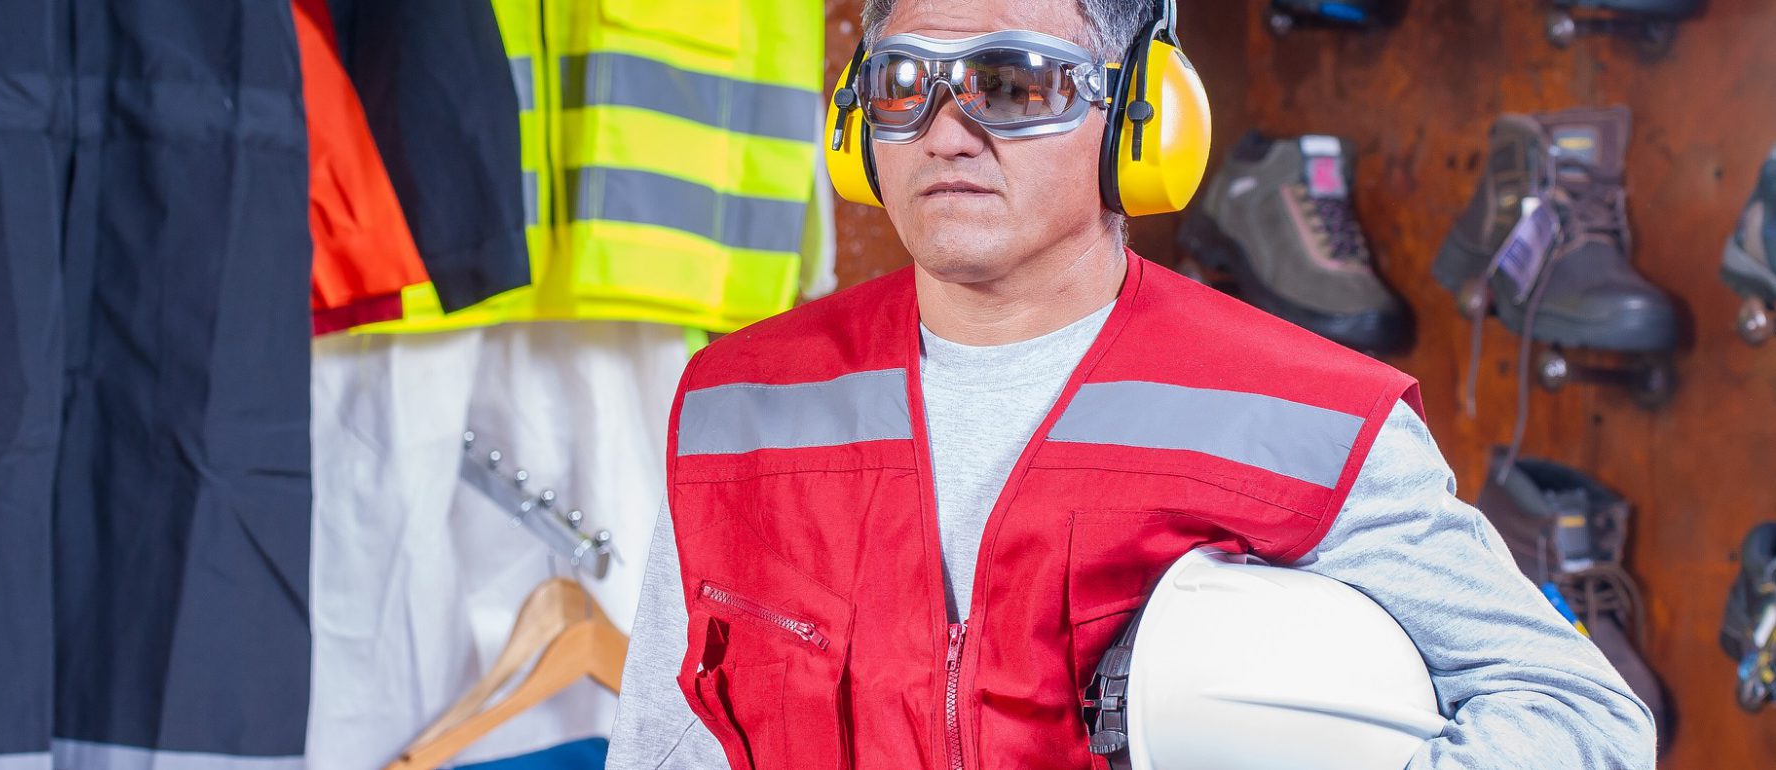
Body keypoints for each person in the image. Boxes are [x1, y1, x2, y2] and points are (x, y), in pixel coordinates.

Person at [604, 0, 1657, 768]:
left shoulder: (1306, 417)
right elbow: (669, 737)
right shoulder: (738, 401)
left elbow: (1582, 717)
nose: (945, 129)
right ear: (854, 123)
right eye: (901, 82)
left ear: (1141, 118)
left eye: (1012, 84)